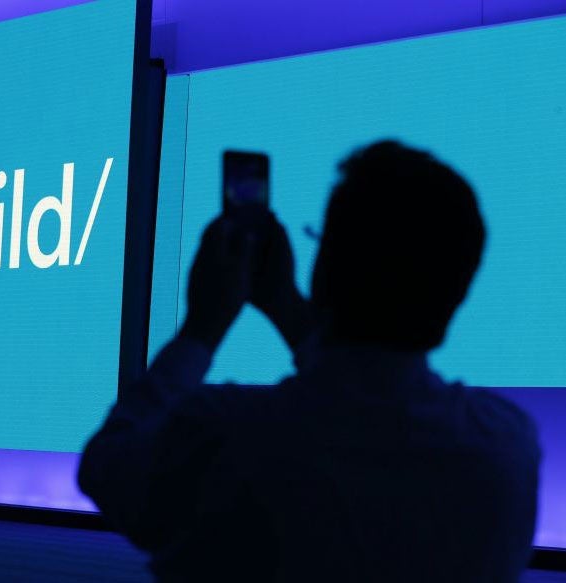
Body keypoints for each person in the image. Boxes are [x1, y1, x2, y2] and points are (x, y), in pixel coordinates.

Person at [78, 141, 540, 582]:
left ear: (323, 272)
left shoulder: (220, 432)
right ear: (458, 292)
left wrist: (204, 324)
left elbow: (106, 467)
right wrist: (285, 307)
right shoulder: (504, 449)